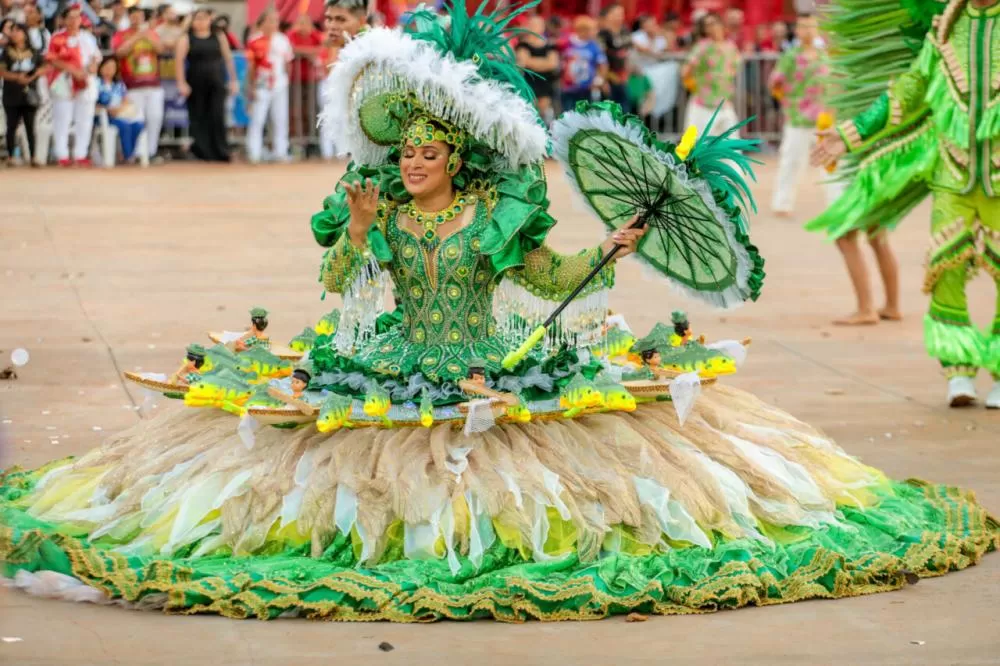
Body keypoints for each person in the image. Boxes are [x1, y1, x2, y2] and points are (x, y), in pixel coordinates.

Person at [4, 0, 997, 623]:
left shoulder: (496, 211)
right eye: (404, 153)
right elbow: (346, 277)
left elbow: (550, 266)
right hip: (395, 365)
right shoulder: (380, 204)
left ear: (458, 156)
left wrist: (606, 250)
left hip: (491, 363)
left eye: (427, 152)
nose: (411, 163)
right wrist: (356, 225)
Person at [810, 0, 1000, 407]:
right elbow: (910, 89)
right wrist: (849, 134)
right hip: (954, 174)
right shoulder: (947, 28)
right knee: (946, 271)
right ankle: (958, 371)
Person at [768, 14, 842, 217]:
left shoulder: (825, 55)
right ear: (797, 31)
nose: (808, 30)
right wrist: (786, 102)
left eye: (812, 26)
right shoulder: (790, 56)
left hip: (823, 118)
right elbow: (775, 82)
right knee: (791, 160)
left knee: (830, 160)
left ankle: (837, 205)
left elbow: (834, 83)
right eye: (803, 27)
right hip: (797, 117)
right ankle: (782, 203)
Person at [174, 7, 237, 162]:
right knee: (199, 116)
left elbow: (228, 58)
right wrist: (181, 83)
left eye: (204, 18)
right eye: (197, 19)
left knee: (217, 115)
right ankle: (203, 151)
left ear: (210, 20)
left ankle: (221, 150)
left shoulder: (218, 36)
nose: (201, 22)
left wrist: (234, 80)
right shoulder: (186, 38)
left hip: (216, 81)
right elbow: (179, 61)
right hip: (195, 82)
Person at [46, 3, 100, 166]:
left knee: (84, 118)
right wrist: (72, 70)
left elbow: (95, 57)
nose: (74, 20)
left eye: (77, 17)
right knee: (62, 118)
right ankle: (62, 154)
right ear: (64, 20)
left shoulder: (87, 37)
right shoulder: (57, 37)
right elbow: (52, 59)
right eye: (70, 17)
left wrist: (91, 67)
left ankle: (80, 153)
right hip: (63, 81)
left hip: (85, 80)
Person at [112, 4, 164, 162]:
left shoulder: (152, 33)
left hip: (153, 83)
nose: (137, 19)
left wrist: (147, 35)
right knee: (136, 119)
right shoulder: (122, 34)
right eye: (133, 17)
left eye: (139, 17)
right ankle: (133, 153)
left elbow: (161, 50)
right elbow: (119, 52)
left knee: (154, 117)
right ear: (129, 18)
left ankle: (151, 151)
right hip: (132, 85)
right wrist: (137, 37)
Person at [318, 0, 366, 161]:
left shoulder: (369, 55)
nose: (332, 25)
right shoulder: (347, 52)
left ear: (361, 21)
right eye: (329, 19)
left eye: (341, 19)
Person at [681, 11, 741, 136]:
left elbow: (733, 71)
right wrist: (694, 86)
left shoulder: (731, 47)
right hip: (703, 104)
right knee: (699, 146)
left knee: (731, 147)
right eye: (707, 25)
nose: (711, 27)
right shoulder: (702, 47)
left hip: (725, 104)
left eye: (714, 23)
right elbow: (685, 71)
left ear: (721, 24)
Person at [245, 10, 292, 164]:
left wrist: (286, 80)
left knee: (280, 118)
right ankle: (254, 153)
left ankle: (281, 152)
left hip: (280, 83)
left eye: (276, 21)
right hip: (261, 84)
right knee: (258, 119)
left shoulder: (283, 40)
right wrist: (251, 86)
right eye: (270, 20)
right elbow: (251, 65)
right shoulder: (254, 40)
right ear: (262, 22)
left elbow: (288, 62)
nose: (274, 24)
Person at [0, 21, 44, 166]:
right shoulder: (6, 52)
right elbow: (2, 71)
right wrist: (17, 77)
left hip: (29, 93)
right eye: (13, 31)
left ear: (25, 34)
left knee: (30, 126)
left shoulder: (34, 52)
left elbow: (44, 67)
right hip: (11, 93)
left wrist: (31, 77)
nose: (15, 34)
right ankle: (11, 156)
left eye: (18, 31)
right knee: (11, 125)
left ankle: (33, 156)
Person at [95, 55, 144, 162]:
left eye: (112, 67)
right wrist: (108, 110)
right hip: (103, 116)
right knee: (124, 126)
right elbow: (93, 103)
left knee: (138, 125)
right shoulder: (96, 83)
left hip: (119, 114)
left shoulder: (119, 85)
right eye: (107, 67)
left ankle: (129, 154)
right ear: (101, 67)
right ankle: (128, 156)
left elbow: (126, 100)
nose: (109, 70)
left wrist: (119, 109)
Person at [286, 13, 322, 154]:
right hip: (295, 79)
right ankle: (295, 142)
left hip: (312, 80)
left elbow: (322, 48)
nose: (303, 27)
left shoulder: (315, 35)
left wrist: (304, 52)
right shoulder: (291, 35)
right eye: (300, 23)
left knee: (312, 110)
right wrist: (309, 53)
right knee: (295, 111)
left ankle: (311, 144)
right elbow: (292, 49)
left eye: (305, 23)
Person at [515, 14, 558, 125]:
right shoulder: (523, 45)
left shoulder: (550, 44)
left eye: (538, 25)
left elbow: (553, 64)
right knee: (531, 113)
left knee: (545, 113)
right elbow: (523, 62)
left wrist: (532, 62)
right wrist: (544, 62)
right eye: (533, 25)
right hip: (529, 83)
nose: (536, 27)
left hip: (545, 83)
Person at [558, 15, 606, 112]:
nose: (596, 32)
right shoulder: (567, 43)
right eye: (593, 29)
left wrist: (599, 80)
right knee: (568, 112)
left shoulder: (594, 46)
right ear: (583, 30)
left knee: (584, 113)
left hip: (586, 88)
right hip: (569, 88)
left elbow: (603, 64)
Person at [597, 3, 631, 112]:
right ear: (608, 16)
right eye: (616, 14)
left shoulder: (625, 32)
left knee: (624, 111)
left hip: (622, 78)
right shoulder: (602, 35)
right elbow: (599, 59)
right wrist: (603, 80)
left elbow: (628, 53)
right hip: (608, 78)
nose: (620, 17)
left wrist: (627, 72)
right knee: (608, 113)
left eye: (622, 14)